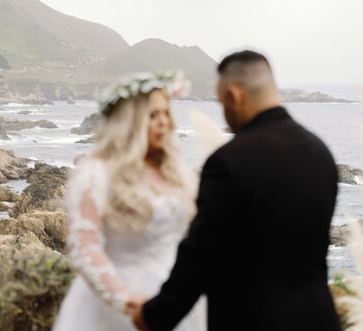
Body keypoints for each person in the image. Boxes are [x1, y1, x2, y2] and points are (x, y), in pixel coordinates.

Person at [131, 50, 341, 331]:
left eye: (222, 103)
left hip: (252, 320)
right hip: (319, 319)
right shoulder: (321, 152)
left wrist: (155, 316)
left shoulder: (228, 161)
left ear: (234, 94)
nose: (226, 114)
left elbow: (200, 255)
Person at [52, 71, 206, 331]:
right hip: (122, 303)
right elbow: (85, 245)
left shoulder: (174, 173)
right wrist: (124, 299)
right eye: (153, 115)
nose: (163, 122)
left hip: (176, 301)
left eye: (166, 113)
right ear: (129, 122)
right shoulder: (97, 174)